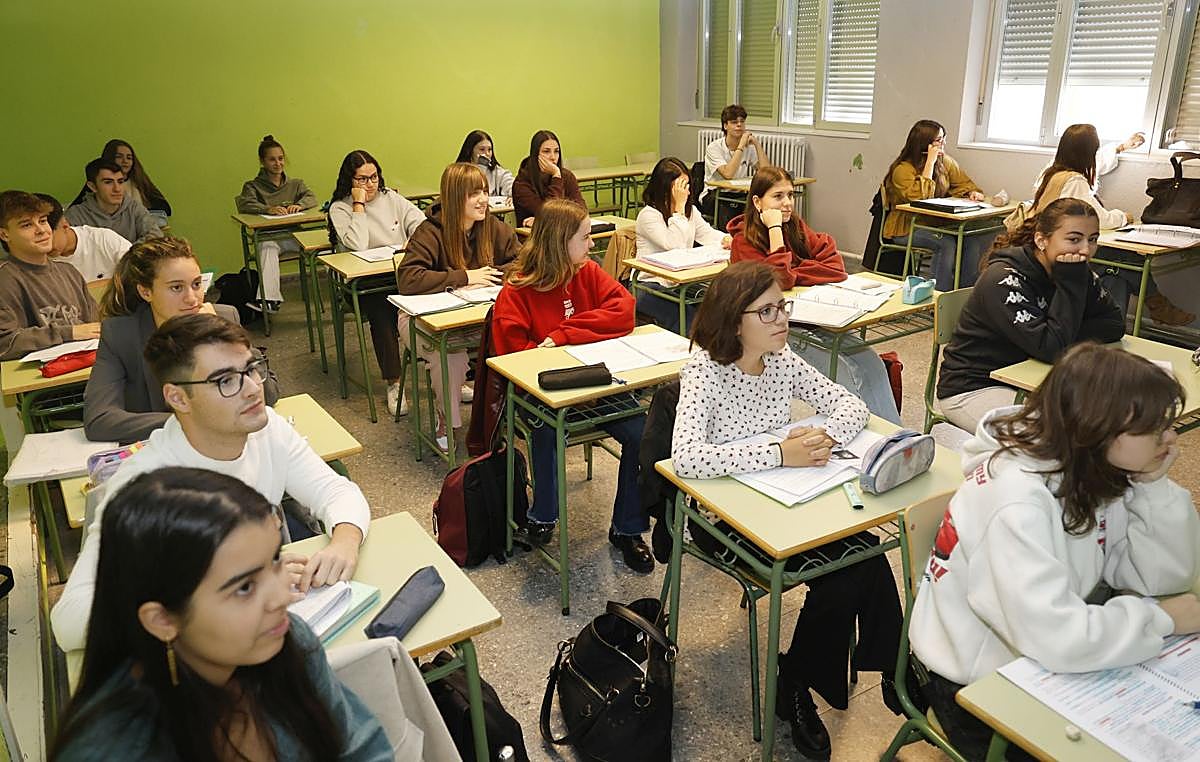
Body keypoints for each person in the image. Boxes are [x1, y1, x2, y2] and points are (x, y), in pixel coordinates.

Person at [911, 343, 1200, 760]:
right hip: (972, 679)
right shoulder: (1017, 500)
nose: (1170, 438)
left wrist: (1153, 486)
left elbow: (1159, 579)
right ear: (1099, 429)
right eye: (1156, 428)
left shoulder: (1093, 467)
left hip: (1037, 651)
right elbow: (1056, 638)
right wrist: (1160, 618)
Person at [671, 261, 903, 760]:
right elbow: (686, 457)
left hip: (788, 499)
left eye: (784, 307)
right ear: (735, 322)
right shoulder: (705, 371)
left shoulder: (781, 359)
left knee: (866, 549)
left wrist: (822, 437)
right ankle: (798, 682)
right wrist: (778, 453)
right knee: (846, 571)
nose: (783, 320)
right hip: (724, 518)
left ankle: (891, 669)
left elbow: (851, 406)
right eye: (769, 310)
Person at [52, 313, 370, 652]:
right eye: (225, 381)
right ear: (178, 398)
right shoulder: (143, 486)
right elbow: (69, 621)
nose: (252, 389)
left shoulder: (268, 430)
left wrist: (344, 542)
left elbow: (335, 489)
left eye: (251, 369)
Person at [49, 468, 393, 761]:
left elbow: (362, 749)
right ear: (163, 620)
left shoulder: (289, 641)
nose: (282, 598)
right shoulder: (111, 750)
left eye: (275, 562)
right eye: (244, 588)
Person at [491, 199, 654, 573]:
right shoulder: (516, 292)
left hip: (593, 384)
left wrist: (565, 334)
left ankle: (627, 529)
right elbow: (517, 361)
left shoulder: (587, 272)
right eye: (584, 238)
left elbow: (624, 309)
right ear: (560, 242)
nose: (592, 245)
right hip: (543, 396)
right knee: (544, 427)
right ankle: (543, 515)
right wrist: (567, 349)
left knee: (642, 430)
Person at [729, 166, 901, 423]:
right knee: (849, 374)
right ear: (757, 202)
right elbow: (779, 280)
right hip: (772, 332)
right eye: (778, 197)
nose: (787, 203)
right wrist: (775, 231)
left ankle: (895, 440)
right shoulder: (743, 243)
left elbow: (835, 266)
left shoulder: (795, 227)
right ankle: (877, 445)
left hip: (815, 319)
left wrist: (795, 271)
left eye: (790, 195)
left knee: (873, 365)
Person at [936, 198, 1125, 433]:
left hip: (1033, 380)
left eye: (1093, 240)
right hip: (974, 386)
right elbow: (1051, 349)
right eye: (1074, 239)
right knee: (1054, 439)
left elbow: (1114, 325)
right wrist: (1059, 326)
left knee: (1105, 418)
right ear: (1041, 240)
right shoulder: (1004, 279)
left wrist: (1059, 335)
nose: (1085, 250)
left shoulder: (1075, 271)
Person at [83, 237, 279, 443]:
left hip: (222, 445)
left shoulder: (223, 317)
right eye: (177, 288)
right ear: (145, 291)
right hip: (158, 450)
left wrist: (226, 336)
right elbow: (99, 419)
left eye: (196, 284)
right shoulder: (121, 334)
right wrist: (193, 422)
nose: (192, 298)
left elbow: (269, 393)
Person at [396, 162, 519, 445]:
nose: (484, 200)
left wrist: (497, 276)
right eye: (474, 193)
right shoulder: (430, 231)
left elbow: (520, 262)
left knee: (512, 336)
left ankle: (501, 416)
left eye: (485, 192)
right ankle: (446, 421)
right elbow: (408, 279)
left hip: (471, 316)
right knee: (449, 355)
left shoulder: (492, 227)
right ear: (454, 197)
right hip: (421, 319)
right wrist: (464, 277)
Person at [1028, 124, 1192, 326]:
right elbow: (1099, 219)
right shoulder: (1075, 181)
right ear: (1087, 154)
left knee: (1116, 277)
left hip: (1048, 243)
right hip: (1059, 252)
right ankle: (1156, 305)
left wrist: (1121, 147)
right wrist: (1123, 217)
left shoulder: (1051, 172)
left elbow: (1099, 163)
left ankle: (1117, 327)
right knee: (1124, 258)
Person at [327, 149, 426, 416]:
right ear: (350, 181)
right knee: (383, 312)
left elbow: (422, 223)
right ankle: (394, 382)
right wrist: (358, 205)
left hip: (397, 273)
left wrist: (411, 242)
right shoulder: (340, 208)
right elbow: (357, 245)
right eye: (362, 179)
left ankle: (449, 374)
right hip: (363, 284)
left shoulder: (390, 198)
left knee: (431, 299)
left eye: (374, 177)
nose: (370, 185)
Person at [883, 119, 998, 290]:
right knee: (946, 243)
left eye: (944, 138)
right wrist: (930, 162)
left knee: (971, 239)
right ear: (924, 143)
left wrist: (971, 193)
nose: (943, 143)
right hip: (906, 228)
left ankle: (963, 293)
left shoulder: (945, 162)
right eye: (938, 140)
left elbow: (964, 183)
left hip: (935, 223)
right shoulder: (902, 169)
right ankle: (938, 298)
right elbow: (920, 199)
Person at [633, 157, 730, 334]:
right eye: (680, 186)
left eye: (687, 185)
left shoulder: (689, 210)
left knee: (718, 305)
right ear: (665, 187)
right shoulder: (649, 215)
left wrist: (728, 239)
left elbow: (707, 234)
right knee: (690, 318)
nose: (686, 191)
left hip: (680, 281)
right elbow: (675, 246)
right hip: (650, 284)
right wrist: (678, 209)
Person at [0, 190, 100, 360]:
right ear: (4, 234)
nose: (41, 230)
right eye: (27, 225)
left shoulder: (69, 272)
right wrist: (69, 333)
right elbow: (5, 343)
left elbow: (94, 327)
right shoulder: (5, 278)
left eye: (43, 221)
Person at [234, 134, 319, 313]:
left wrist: (299, 205)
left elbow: (311, 198)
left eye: (280, 159)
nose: (278, 163)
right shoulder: (252, 186)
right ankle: (269, 300)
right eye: (272, 160)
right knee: (266, 248)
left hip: (294, 235)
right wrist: (267, 209)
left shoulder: (295, 184)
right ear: (262, 162)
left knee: (322, 244)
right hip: (270, 237)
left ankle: (339, 291)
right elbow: (244, 203)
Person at [37, 193, 131, 283]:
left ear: (65, 226)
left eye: (48, 238)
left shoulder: (104, 240)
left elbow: (139, 270)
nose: (44, 247)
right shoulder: (33, 260)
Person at [65, 158, 163, 243]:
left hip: (129, 262)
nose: (117, 189)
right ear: (93, 187)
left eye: (120, 182)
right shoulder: (75, 215)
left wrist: (127, 253)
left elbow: (156, 236)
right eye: (108, 182)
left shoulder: (134, 208)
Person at [700, 104, 765, 225]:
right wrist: (741, 146)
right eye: (734, 122)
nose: (739, 125)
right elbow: (728, 174)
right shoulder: (714, 148)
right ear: (725, 126)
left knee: (763, 204)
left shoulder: (749, 148)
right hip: (715, 194)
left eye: (742, 122)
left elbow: (766, 172)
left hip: (739, 193)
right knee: (730, 210)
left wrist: (756, 144)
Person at [511, 129, 586, 227]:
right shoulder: (521, 184)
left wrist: (541, 219)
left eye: (556, 151)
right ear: (535, 155)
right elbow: (551, 214)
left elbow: (581, 211)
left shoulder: (566, 176)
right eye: (546, 152)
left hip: (565, 232)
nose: (553, 157)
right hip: (533, 238)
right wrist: (556, 177)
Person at [101, 139, 172, 225]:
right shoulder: (98, 182)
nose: (125, 161)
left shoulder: (139, 181)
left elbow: (165, 208)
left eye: (129, 158)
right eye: (119, 157)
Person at [456, 129, 514, 198]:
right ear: (470, 151)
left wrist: (513, 196)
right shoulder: (459, 173)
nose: (487, 154)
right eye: (482, 149)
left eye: (489, 150)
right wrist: (481, 167)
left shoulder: (497, 172)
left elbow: (511, 186)